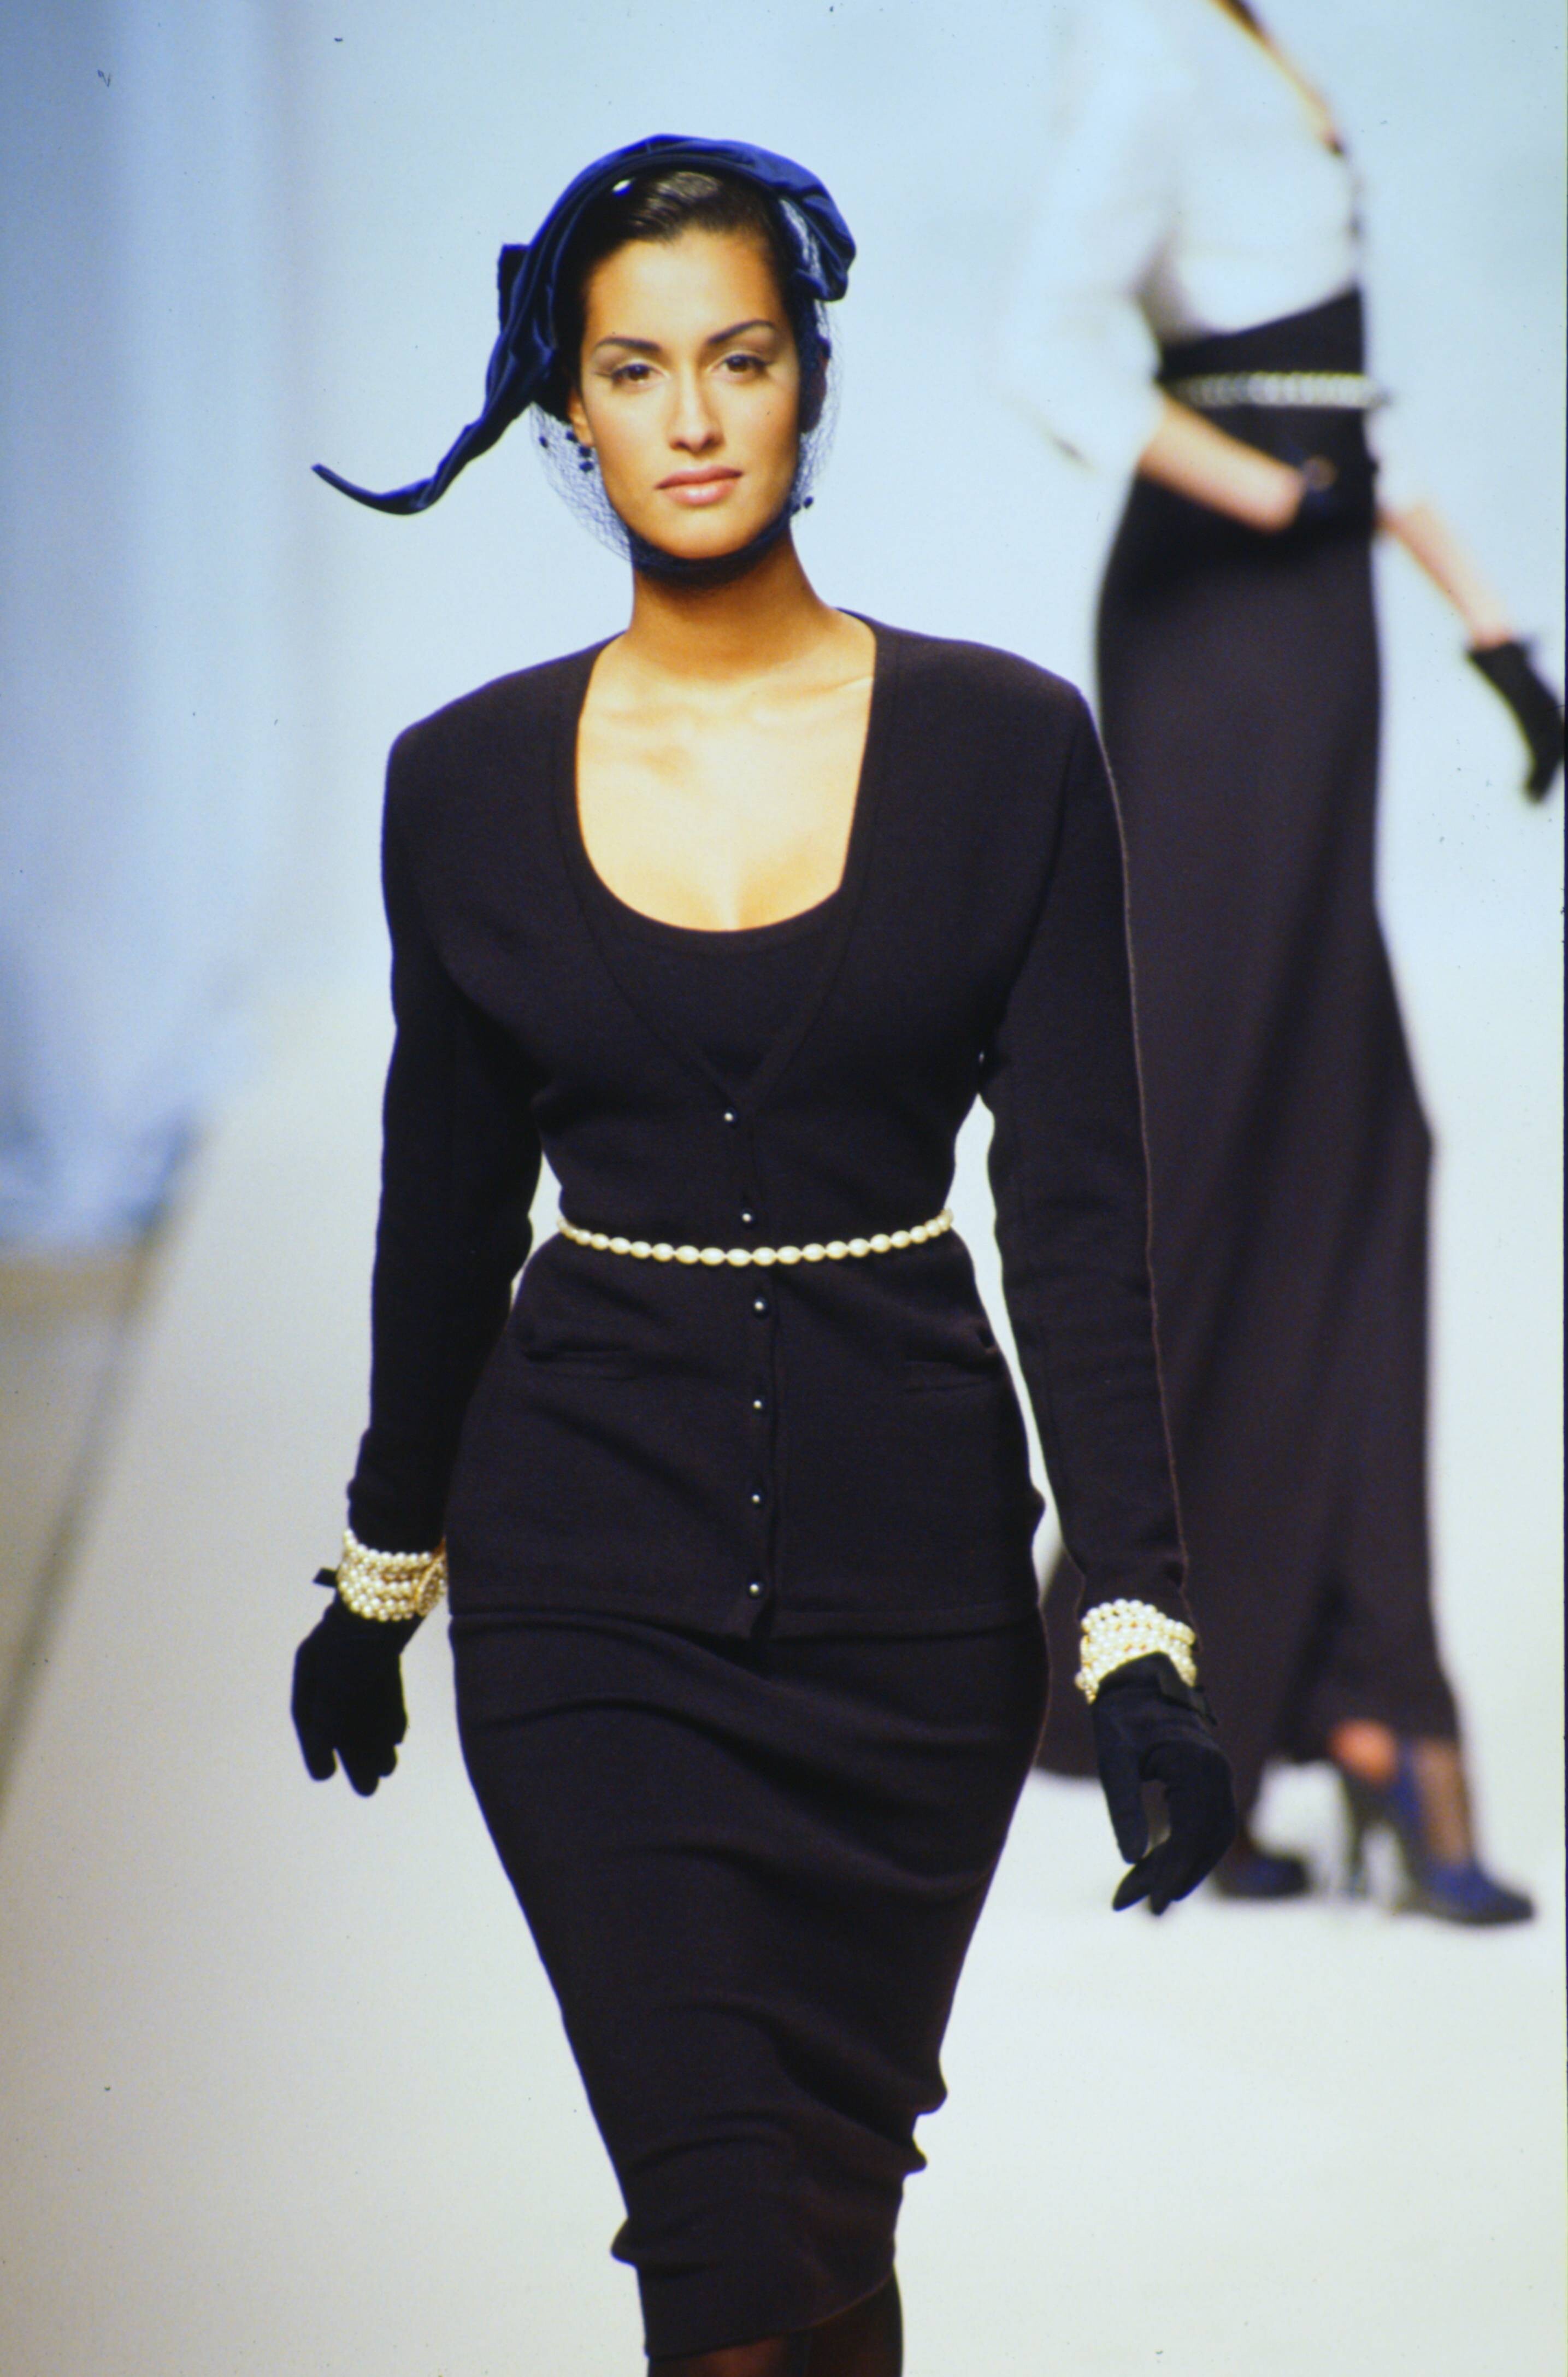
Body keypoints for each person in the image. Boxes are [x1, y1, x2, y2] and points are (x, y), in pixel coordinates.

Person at [290, 138, 1236, 2377]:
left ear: (810, 377)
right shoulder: (462, 783)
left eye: (738, 358)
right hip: (586, 1603)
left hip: (914, 1626)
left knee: (818, 2216)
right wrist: (382, 1572)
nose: (695, 419)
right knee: (728, 2235)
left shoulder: (1009, 750)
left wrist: (1135, 1630)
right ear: (570, 405)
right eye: (636, 371)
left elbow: (1078, 1214)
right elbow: (444, 1211)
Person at [1001, 0, 1558, 1920]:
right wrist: (1263, 493)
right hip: (1225, 636)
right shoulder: (1150, 51)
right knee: (1219, 1132)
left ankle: (1364, 1698)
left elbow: (1342, 401)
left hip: (1314, 628)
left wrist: (1494, 634)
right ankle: (1207, 1695)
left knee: (1359, 1140)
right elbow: (1045, 344)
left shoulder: (1239, 42)